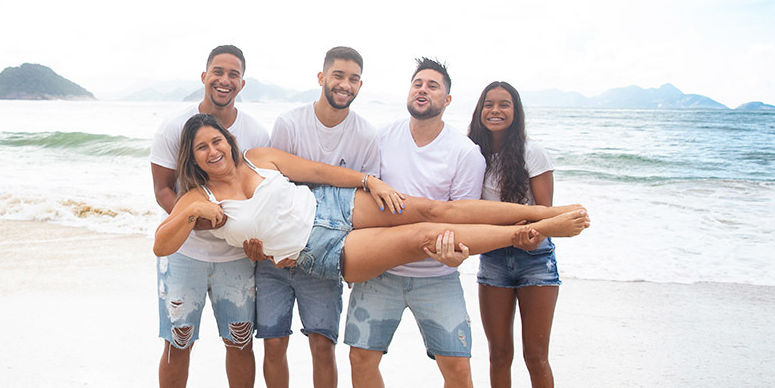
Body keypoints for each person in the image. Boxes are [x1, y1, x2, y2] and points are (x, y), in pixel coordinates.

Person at [153, 114, 589, 285]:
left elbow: (319, 172)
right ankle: (526, 233)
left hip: (334, 204)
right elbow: (162, 244)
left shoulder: (258, 157)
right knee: (424, 234)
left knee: (436, 207)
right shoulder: (198, 196)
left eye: (217, 141)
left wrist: (369, 181)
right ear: (193, 158)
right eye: (202, 149)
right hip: (321, 251)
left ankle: (545, 211)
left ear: (228, 140)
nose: (214, 151)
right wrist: (189, 209)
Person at [344, 57, 486, 388]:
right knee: (360, 359)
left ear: (447, 98)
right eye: (417, 83)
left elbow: (463, 219)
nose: (423, 90)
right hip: (381, 271)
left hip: (437, 276)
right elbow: (364, 200)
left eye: (433, 85)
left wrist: (458, 253)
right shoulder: (382, 138)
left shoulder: (465, 152)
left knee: (457, 367)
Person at [251, 47, 382, 388]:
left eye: (354, 78)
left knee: (322, 344)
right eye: (338, 75)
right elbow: (274, 188)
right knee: (273, 342)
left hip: (323, 255)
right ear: (321, 76)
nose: (345, 84)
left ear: (360, 84)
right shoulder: (290, 123)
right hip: (276, 254)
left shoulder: (365, 134)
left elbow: (361, 205)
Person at [149, 45, 270, 388]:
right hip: (185, 254)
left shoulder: (255, 132)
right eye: (217, 71)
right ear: (204, 76)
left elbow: (261, 195)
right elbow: (164, 189)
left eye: (233, 74)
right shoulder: (173, 127)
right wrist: (194, 218)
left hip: (237, 256)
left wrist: (253, 239)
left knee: (239, 341)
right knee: (178, 340)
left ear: (242, 82)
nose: (225, 80)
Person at [467, 81, 561, 388]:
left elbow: (546, 215)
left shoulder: (531, 153)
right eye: (488, 104)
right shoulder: (472, 154)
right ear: (479, 110)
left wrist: (529, 235)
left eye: (504, 105)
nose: (495, 110)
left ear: (515, 111)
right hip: (493, 259)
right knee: (498, 352)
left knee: (535, 354)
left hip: (535, 260)